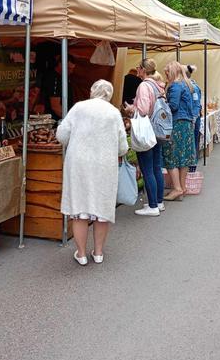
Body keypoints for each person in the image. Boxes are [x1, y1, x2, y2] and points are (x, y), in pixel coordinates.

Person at [57, 80, 128, 266]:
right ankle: (98, 253)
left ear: (92, 91)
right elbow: (122, 147)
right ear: (109, 94)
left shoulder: (79, 108)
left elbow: (62, 135)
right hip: (104, 165)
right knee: (101, 209)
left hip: (79, 163)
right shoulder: (114, 113)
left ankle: (80, 254)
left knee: (79, 209)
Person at [126, 58, 165, 217]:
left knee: (147, 169)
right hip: (158, 130)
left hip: (147, 130)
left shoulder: (143, 86)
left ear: (143, 70)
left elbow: (142, 110)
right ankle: (159, 202)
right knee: (156, 167)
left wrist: (131, 109)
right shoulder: (158, 84)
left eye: (138, 68)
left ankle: (153, 206)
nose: (137, 70)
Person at [162, 61, 197, 201]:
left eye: (167, 73)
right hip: (187, 124)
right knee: (183, 158)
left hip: (177, 124)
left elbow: (173, 106)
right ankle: (182, 187)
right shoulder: (187, 85)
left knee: (171, 156)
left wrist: (162, 102)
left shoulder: (175, 86)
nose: (166, 75)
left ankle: (176, 188)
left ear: (173, 72)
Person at [42, 54, 75, 120]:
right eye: (68, 68)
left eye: (72, 69)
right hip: (54, 121)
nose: (71, 71)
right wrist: (69, 120)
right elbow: (55, 106)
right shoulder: (54, 78)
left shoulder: (64, 77)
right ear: (60, 64)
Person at [185, 64, 202, 167]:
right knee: (193, 142)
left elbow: (196, 104)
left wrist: (193, 118)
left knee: (192, 142)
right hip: (194, 117)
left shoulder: (192, 87)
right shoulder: (191, 86)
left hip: (192, 118)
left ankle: (192, 166)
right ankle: (192, 165)